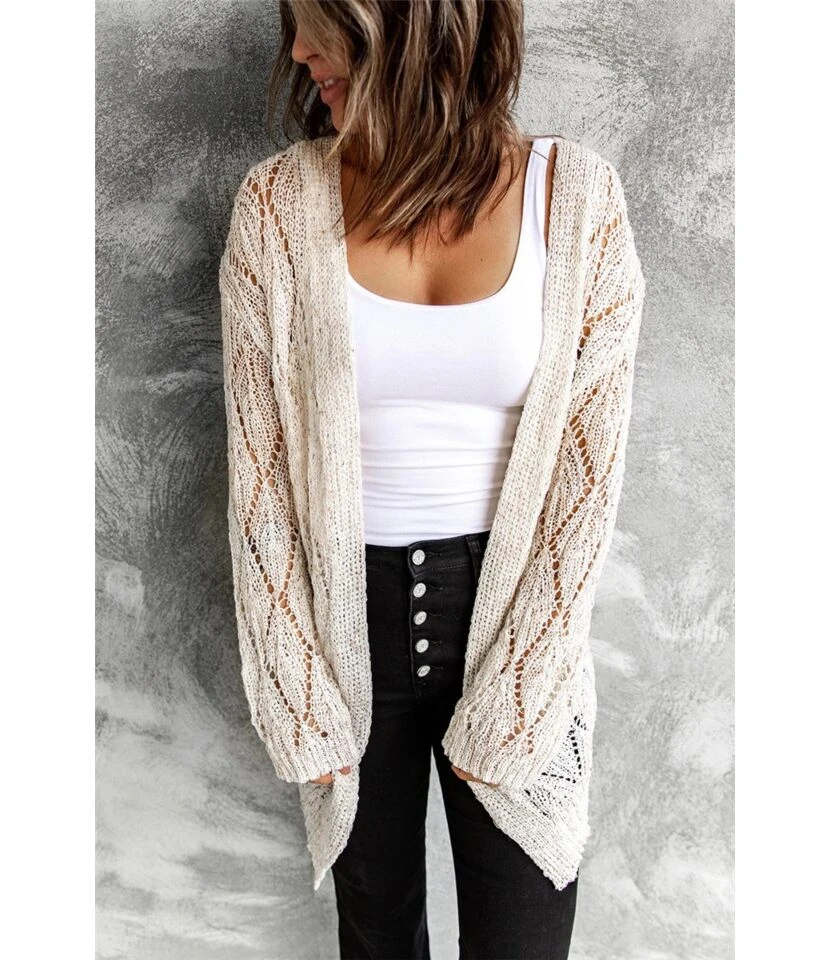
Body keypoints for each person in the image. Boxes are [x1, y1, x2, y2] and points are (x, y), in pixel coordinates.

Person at [219, 1, 646, 958]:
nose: (299, 52)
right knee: (376, 939)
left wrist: (522, 691)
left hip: (518, 624)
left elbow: (588, 489)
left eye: (320, 23)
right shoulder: (277, 209)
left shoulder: (577, 201)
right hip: (344, 636)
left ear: (406, 21)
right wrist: (299, 695)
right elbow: (259, 483)